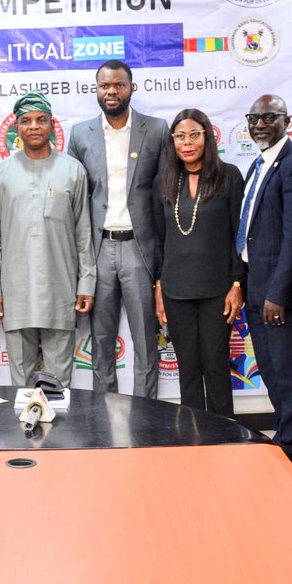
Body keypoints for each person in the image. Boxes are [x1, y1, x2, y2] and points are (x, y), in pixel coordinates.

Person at [67, 60, 167, 398]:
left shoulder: (156, 129)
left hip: (140, 249)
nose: (112, 91)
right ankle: (103, 416)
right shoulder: (81, 134)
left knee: (145, 342)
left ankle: (146, 416)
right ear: (96, 89)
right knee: (101, 344)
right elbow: (76, 199)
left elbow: (166, 194)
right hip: (98, 251)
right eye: (105, 86)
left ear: (131, 88)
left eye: (119, 85)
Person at [0, 92, 95, 386]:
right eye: (26, 121)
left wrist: (86, 283)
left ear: (51, 125)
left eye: (40, 120)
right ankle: (22, 432)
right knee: (21, 383)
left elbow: (83, 234)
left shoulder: (73, 171)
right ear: (17, 128)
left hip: (61, 287)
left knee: (60, 383)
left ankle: (61, 431)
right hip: (15, 290)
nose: (34, 126)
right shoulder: (2, 173)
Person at [237, 94, 292, 469]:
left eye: (269, 117)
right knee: (269, 368)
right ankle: (283, 432)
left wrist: (279, 292)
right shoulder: (257, 165)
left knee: (287, 369)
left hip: (277, 291)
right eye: (254, 117)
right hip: (255, 283)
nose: (260, 124)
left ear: (288, 122)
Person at [153, 109, 245, 416]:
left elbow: (239, 235)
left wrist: (237, 284)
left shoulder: (229, 176)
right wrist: (158, 286)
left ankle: (225, 433)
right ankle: (195, 436)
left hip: (218, 289)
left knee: (216, 364)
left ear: (207, 136)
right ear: (172, 142)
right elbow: (159, 239)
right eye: (180, 136)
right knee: (188, 367)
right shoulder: (164, 180)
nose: (187, 143)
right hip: (176, 289)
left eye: (195, 134)